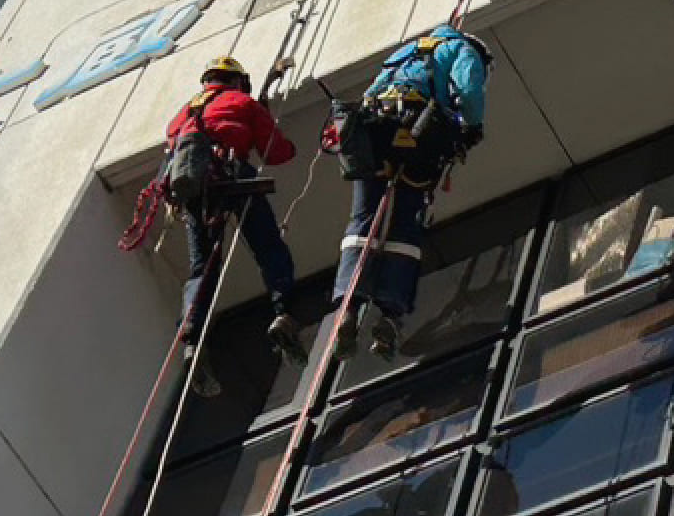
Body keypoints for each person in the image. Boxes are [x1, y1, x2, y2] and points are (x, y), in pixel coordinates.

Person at [326, 21, 492, 355]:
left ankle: (350, 306)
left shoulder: (402, 55)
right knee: (404, 224)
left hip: (375, 135)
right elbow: (469, 89)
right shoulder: (462, 49)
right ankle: (391, 311)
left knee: (363, 218)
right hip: (418, 137)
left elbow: (370, 94)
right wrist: (472, 127)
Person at [163, 54, 323, 358]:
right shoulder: (241, 102)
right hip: (232, 174)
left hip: (195, 186)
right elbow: (275, 152)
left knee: (203, 265)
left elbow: (172, 161)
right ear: (236, 81)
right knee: (268, 247)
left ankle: (192, 337)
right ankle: (282, 312)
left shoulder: (181, 117)